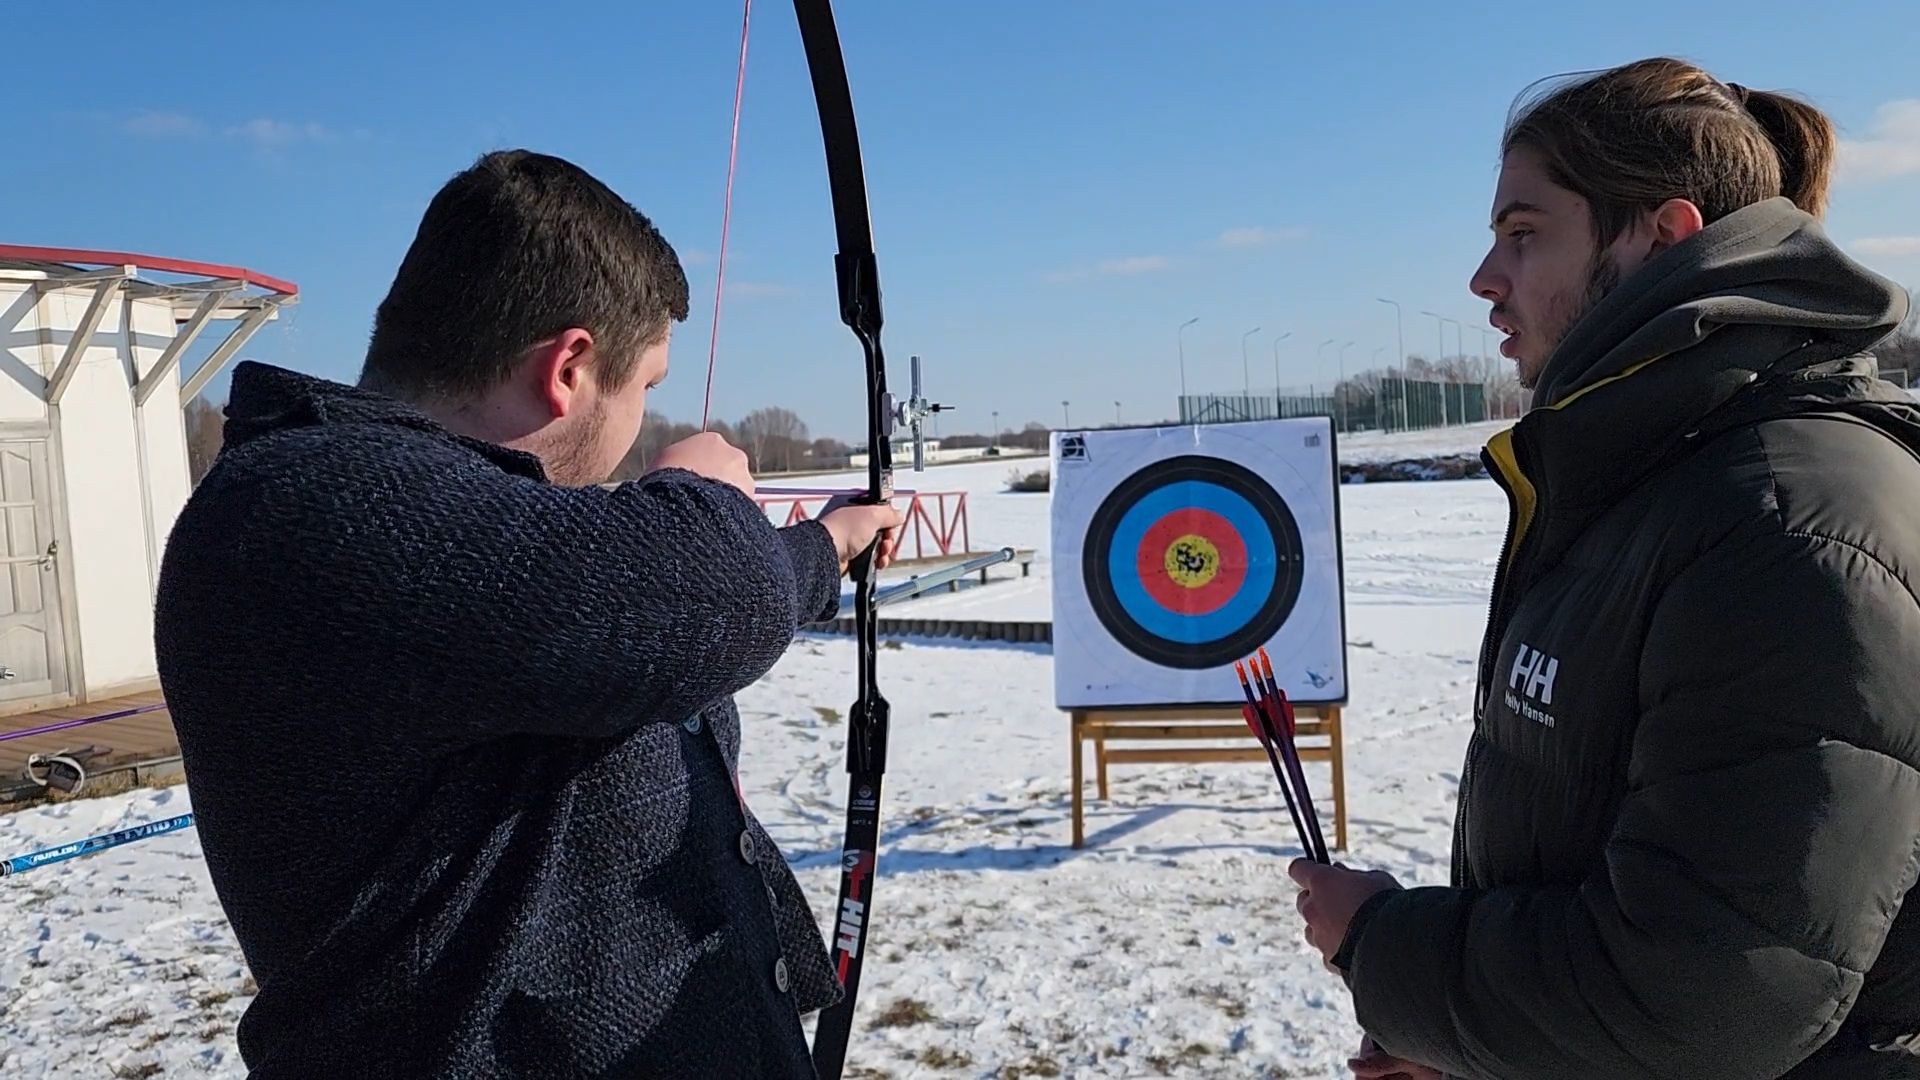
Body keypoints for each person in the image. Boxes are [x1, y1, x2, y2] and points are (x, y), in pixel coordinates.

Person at [153, 149, 902, 1078]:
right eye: (647, 389)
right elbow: (697, 594)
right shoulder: (307, 505)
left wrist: (823, 548)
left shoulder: (471, 535)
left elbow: (645, 620)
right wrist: (703, 495)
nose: (644, 422)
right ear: (570, 367)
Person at [1289, 57, 1920, 1080]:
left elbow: (1708, 994)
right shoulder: (1654, 480)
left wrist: (1386, 949)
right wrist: (1468, 1038)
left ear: (1659, 238)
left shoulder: (1784, 521)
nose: (1484, 279)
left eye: (1523, 234)